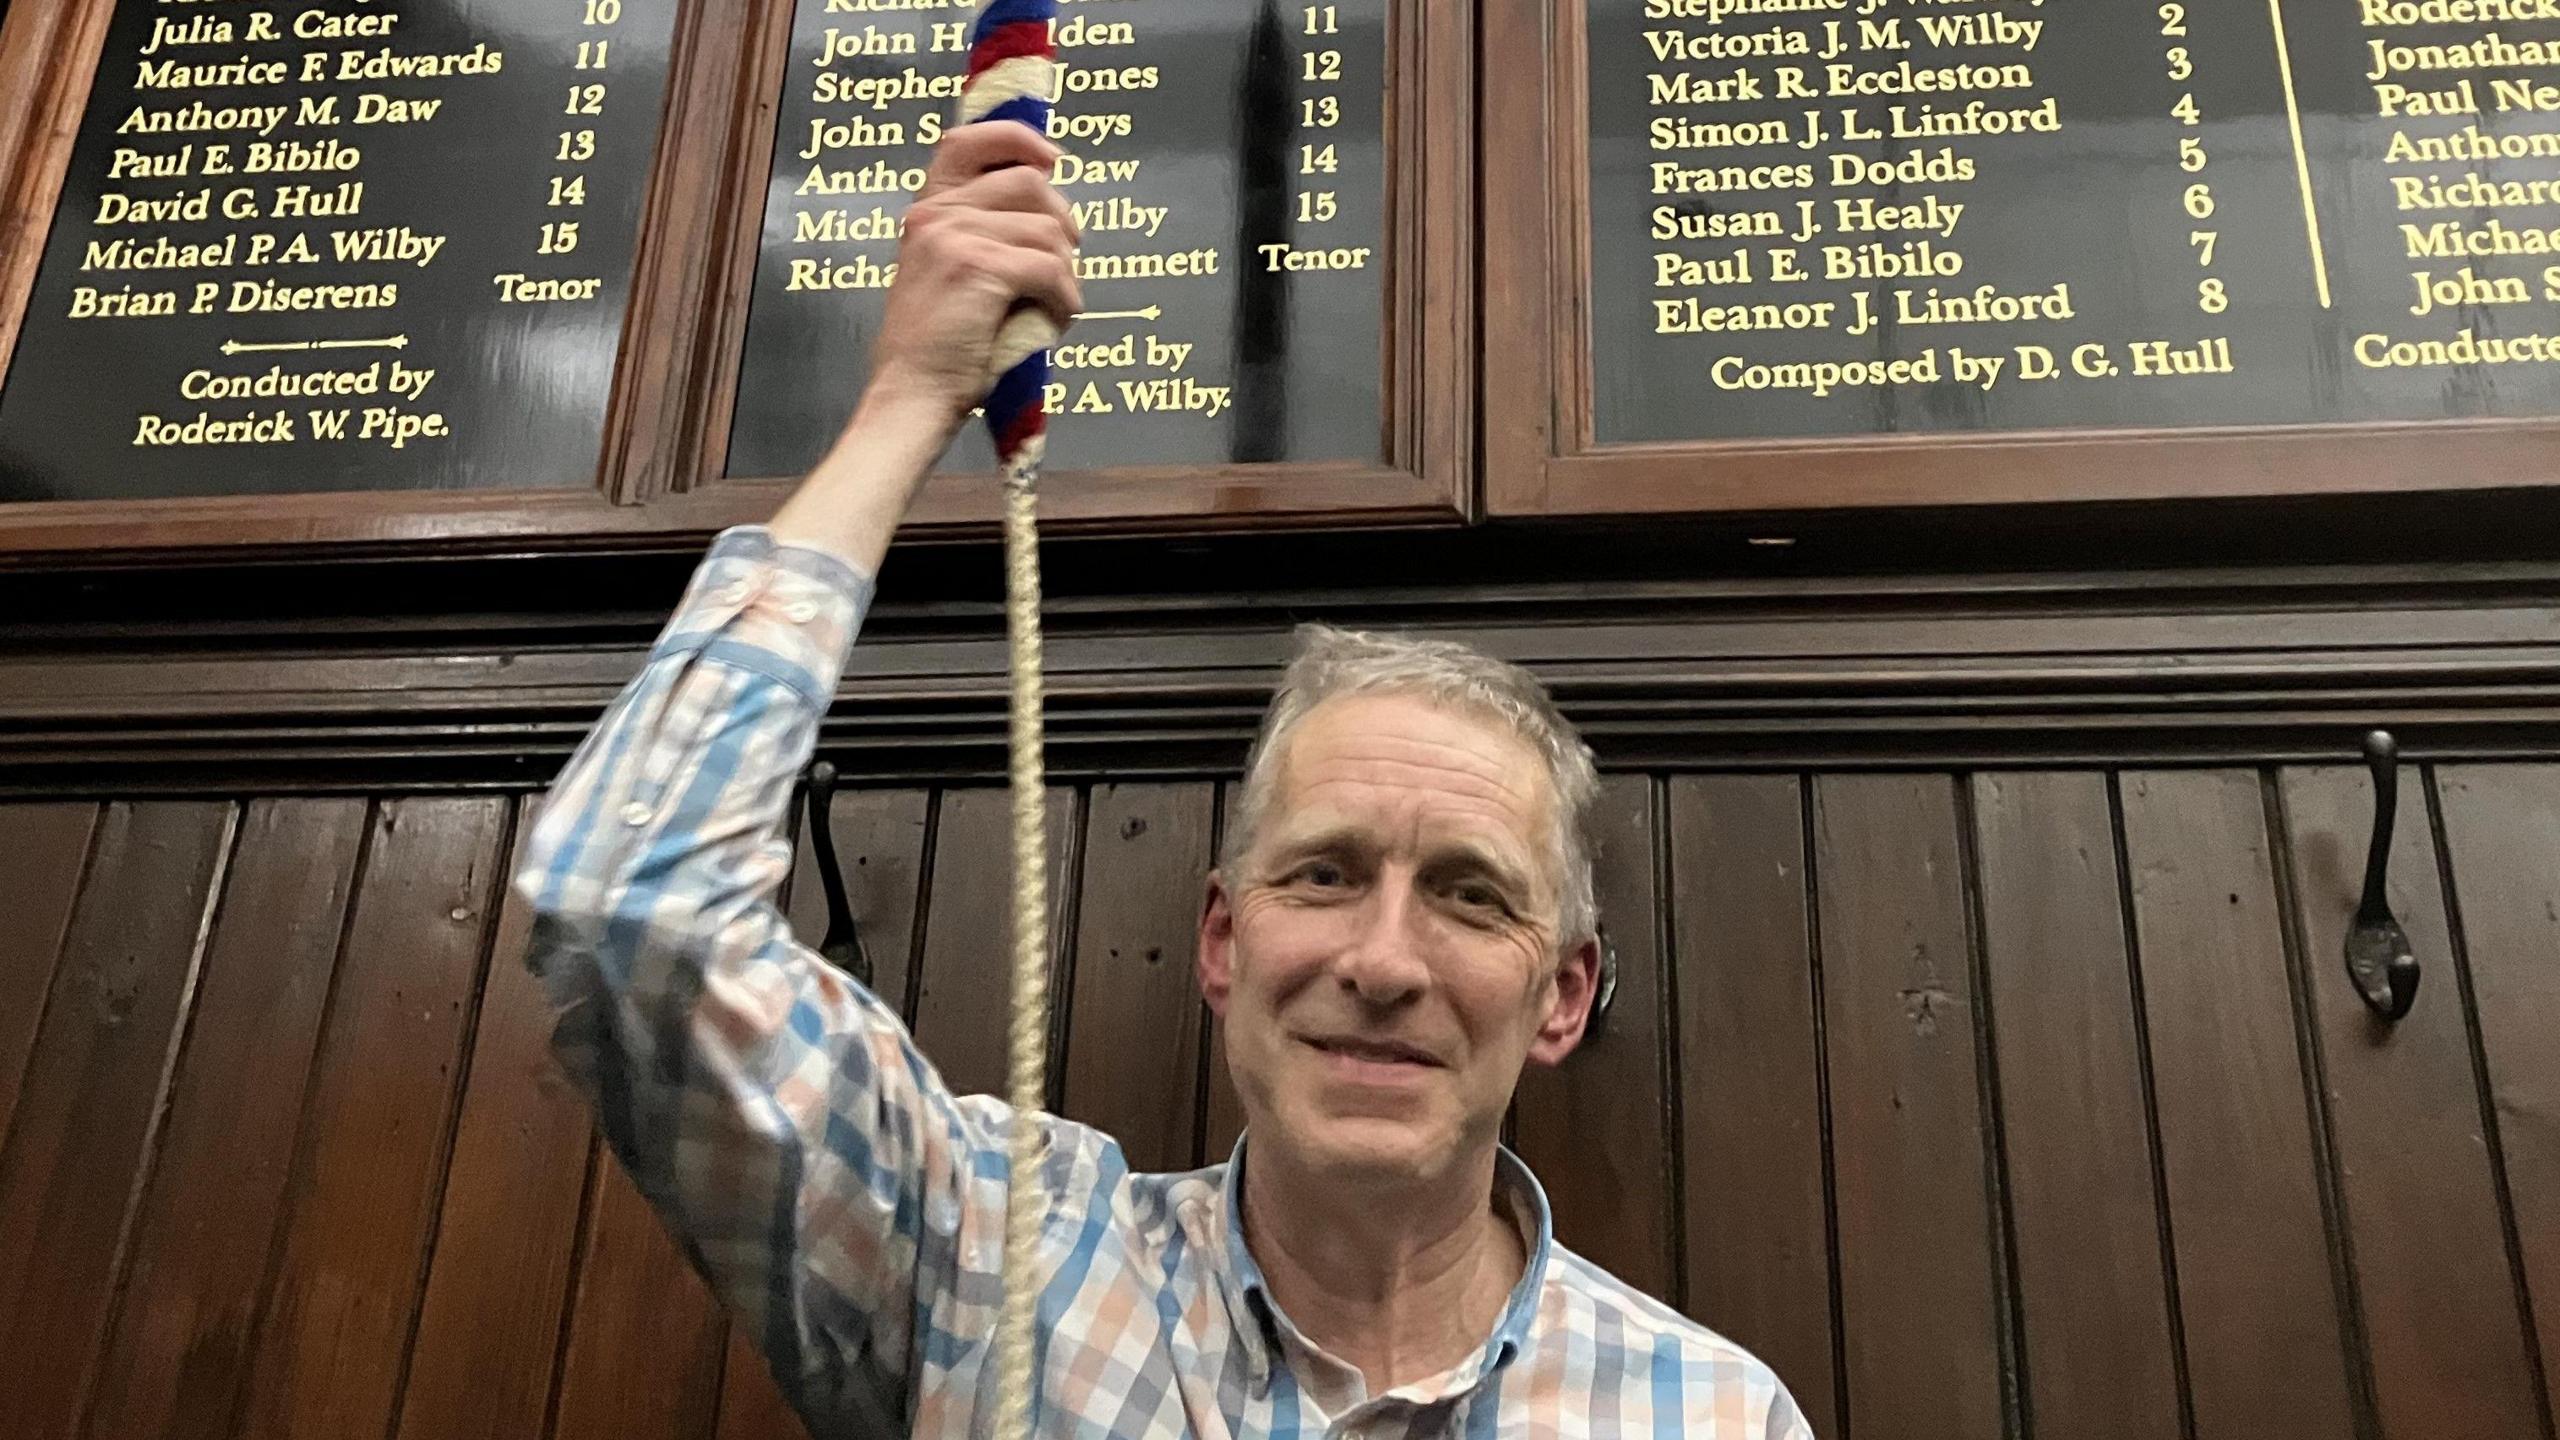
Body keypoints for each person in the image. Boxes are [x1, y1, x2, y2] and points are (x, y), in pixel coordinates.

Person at [515, 120, 1812, 1439]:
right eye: (1325, 872)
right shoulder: (988, 1265)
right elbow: (631, 905)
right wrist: (908, 399)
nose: (1381, 958)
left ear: (1564, 996)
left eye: (1471, 898)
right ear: (1222, 941)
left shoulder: (1713, 1414)